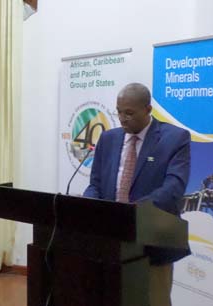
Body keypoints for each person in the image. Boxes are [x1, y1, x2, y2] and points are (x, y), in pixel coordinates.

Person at [84, 83, 191, 306]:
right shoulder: (108, 139)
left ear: (148, 109)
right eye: (119, 111)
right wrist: (89, 206)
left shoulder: (175, 138)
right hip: (109, 242)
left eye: (129, 113)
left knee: (153, 301)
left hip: (152, 242)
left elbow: (174, 188)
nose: (123, 118)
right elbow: (95, 184)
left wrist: (132, 213)